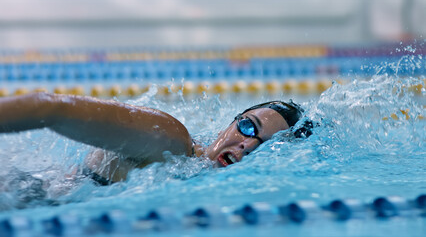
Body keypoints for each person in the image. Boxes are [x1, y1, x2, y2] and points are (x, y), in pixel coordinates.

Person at [0, 92, 309, 185]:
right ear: (230, 124)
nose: (247, 145)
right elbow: (49, 108)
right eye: (249, 127)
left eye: (267, 146)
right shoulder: (169, 140)